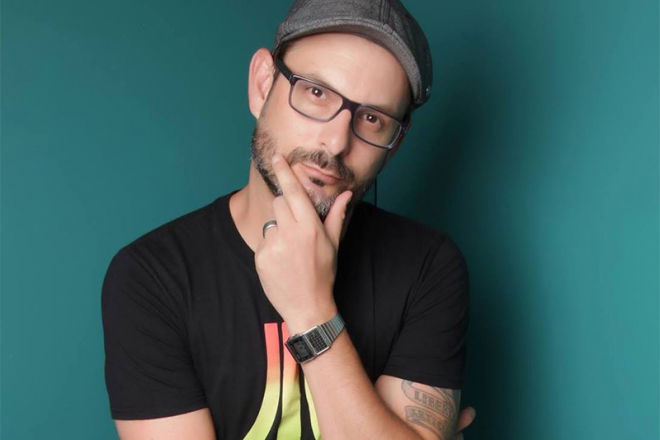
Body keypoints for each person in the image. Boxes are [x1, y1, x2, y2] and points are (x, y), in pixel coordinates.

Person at [102, 0, 477, 439]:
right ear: (263, 85)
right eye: (316, 93)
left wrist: (311, 310)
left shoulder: (427, 265)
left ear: (395, 144)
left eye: (372, 118)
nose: (335, 142)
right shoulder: (152, 277)